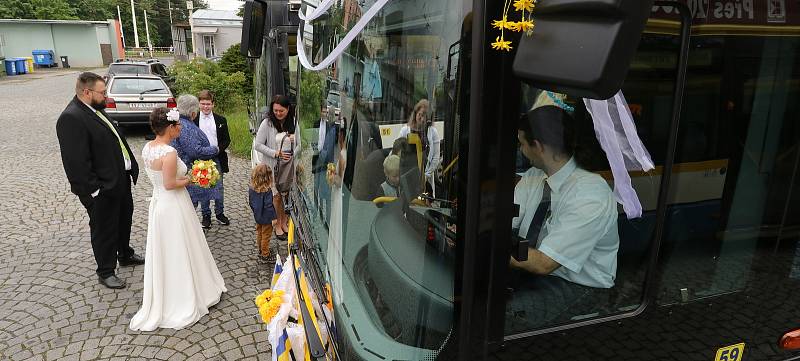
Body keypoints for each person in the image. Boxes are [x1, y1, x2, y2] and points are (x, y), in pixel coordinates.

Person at [506, 105, 619, 333]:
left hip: (577, 286)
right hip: (533, 271)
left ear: (538, 147)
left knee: (502, 318)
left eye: (522, 143)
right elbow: (506, 221)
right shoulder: (535, 176)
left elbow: (543, 263)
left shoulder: (590, 195)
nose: (520, 149)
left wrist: (483, 247)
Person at [130, 107, 227, 331]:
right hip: (173, 204)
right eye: (178, 125)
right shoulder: (169, 153)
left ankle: (170, 293)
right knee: (181, 247)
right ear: (170, 128)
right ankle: (186, 295)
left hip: (159, 205)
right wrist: (194, 177)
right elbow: (170, 184)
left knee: (169, 250)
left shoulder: (148, 148)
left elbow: (161, 183)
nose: (181, 128)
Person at [56, 72, 144, 290]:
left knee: (124, 219)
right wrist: (94, 192)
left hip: (119, 180)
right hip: (102, 189)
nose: (106, 96)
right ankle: (105, 271)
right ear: (87, 92)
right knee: (104, 229)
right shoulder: (71, 118)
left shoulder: (96, 110)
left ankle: (124, 253)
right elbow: (76, 162)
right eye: (102, 92)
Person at [170, 94, 220, 229]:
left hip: (181, 169)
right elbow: (195, 151)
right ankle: (187, 233)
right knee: (189, 205)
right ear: (193, 112)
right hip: (186, 171)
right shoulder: (186, 126)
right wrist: (214, 149)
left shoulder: (180, 122)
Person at [254, 95, 300, 239]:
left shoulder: (293, 122)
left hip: (288, 167)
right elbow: (258, 145)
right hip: (273, 166)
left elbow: (299, 144)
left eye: (281, 111)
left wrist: (293, 154)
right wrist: (275, 153)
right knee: (277, 197)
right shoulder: (267, 123)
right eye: (275, 111)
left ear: (288, 109)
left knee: (286, 195)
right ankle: (277, 225)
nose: (278, 113)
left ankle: (284, 221)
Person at [193, 90, 231, 226]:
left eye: (208, 104)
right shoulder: (194, 120)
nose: (205, 107)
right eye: (203, 104)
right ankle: (206, 215)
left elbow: (227, 140)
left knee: (219, 187)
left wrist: (217, 150)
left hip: (217, 157)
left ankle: (220, 213)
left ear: (213, 104)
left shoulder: (221, 120)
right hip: (201, 158)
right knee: (203, 187)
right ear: (199, 104)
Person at [398, 99, 441, 196]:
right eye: (420, 115)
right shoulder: (405, 131)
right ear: (415, 113)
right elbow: (398, 152)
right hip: (408, 175)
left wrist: (426, 176)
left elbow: (436, 157)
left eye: (425, 117)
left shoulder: (433, 132)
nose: (422, 119)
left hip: (425, 177)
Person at [314, 105, 338, 220]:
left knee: (326, 191)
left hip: (326, 163)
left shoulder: (331, 127)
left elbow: (330, 147)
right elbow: (312, 140)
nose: (325, 114)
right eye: (323, 111)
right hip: (316, 161)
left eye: (326, 112)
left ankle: (327, 218)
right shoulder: (315, 123)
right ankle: (315, 211)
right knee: (315, 187)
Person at [249, 164, 278, 262]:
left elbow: (251, 203)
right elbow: (269, 206)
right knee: (266, 236)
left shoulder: (252, 189)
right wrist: (274, 218)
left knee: (259, 233)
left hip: (258, 216)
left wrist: (256, 213)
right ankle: (265, 255)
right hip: (267, 218)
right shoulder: (267, 191)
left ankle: (260, 249)